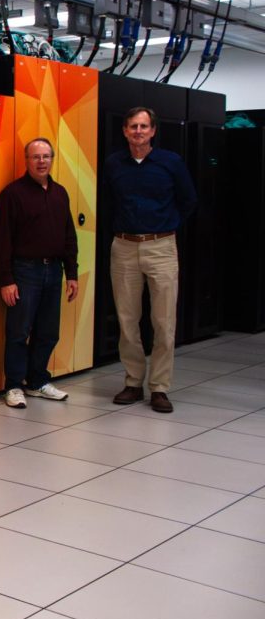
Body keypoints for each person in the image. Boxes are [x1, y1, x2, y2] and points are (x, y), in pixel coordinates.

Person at [104, 107, 197, 413]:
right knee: (128, 320)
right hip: (124, 246)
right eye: (133, 126)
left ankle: (159, 388)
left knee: (163, 321)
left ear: (153, 131)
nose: (139, 131)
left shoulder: (170, 163)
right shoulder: (114, 163)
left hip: (161, 246)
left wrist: (164, 225)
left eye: (144, 126)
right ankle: (133, 382)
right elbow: (107, 202)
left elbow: (188, 200)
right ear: (125, 131)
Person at [0, 138, 79, 408]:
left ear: (52, 159)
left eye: (46, 156)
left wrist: (71, 273)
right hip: (24, 271)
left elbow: (68, 236)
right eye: (35, 157)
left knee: (48, 331)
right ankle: (15, 386)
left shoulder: (60, 193)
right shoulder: (12, 194)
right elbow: (2, 241)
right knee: (19, 331)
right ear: (26, 160)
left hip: (53, 271)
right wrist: (7, 280)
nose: (41, 161)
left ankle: (38, 381)